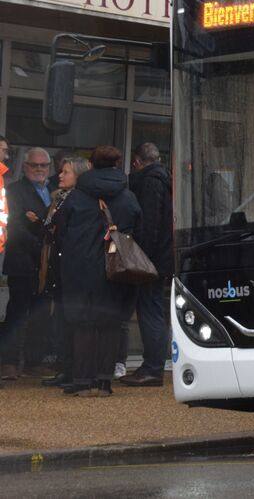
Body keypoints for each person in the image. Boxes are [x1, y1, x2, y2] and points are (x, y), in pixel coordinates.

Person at [57, 146, 140, 397]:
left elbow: (61, 231)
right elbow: (138, 226)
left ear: (90, 166)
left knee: (82, 324)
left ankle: (83, 380)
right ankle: (104, 381)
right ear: (117, 166)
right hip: (115, 267)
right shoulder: (128, 196)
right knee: (110, 324)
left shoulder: (77, 196)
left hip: (79, 268)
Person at [120, 142, 172, 387]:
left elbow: (149, 224)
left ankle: (152, 367)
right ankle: (152, 364)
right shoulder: (166, 179)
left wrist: (142, 258)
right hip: (161, 257)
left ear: (137, 162)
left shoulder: (150, 183)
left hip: (151, 259)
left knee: (150, 310)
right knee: (153, 309)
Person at [0, 148, 54, 380]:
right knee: (17, 313)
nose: (39, 169)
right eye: (34, 165)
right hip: (22, 261)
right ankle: (8, 362)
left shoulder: (55, 191)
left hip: (47, 265)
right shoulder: (13, 190)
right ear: (25, 167)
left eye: (43, 165)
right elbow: (16, 227)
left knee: (41, 315)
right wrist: (42, 244)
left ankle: (34, 362)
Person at [40, 156, 90, 388]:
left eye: (66, 172)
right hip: (56, 263)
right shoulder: (58, 198)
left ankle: (72, 369)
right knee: (60, 317)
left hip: (71, 265)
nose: (60, 175)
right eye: (61, 171)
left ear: (78, 176)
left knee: (70, 319)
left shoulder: (79, 200)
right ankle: (64, 367)